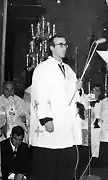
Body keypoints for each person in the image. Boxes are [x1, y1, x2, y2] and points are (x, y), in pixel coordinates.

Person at [29, 35, 83, 180]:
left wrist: (77, 88)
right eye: (60, 44)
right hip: (50, 123)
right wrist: (45, 119)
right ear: (51, 47)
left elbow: (70, 95)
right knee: (49, 166)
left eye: (65, 45)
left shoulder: (68, 69)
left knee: (64, 166)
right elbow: (39, 94)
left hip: (65, 126)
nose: (64, 47)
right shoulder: (42, 68)